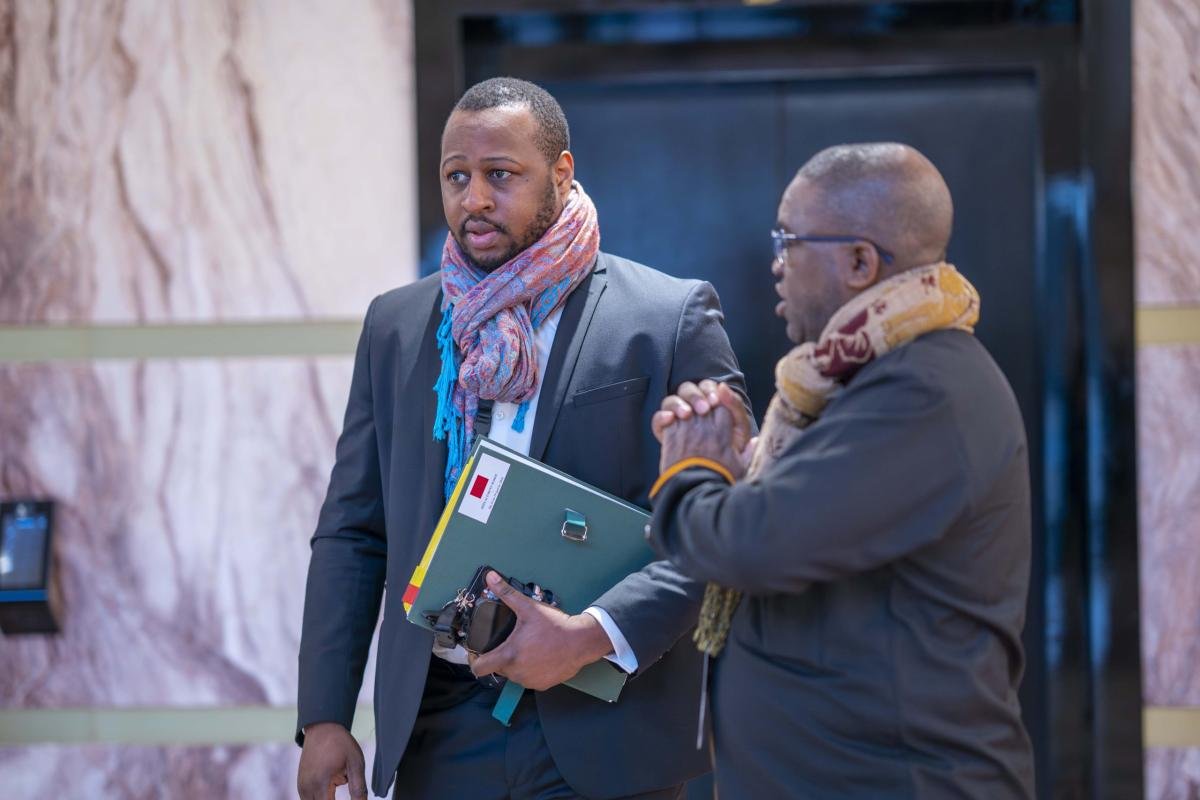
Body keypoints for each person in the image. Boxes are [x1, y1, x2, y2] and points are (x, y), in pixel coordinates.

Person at [295, 77, 745, 800]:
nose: (474, 198)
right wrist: (324, 715)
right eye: (457, 177)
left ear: (561, 174)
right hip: (441, 724)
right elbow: (354, 530)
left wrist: (590, 635)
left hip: (606, 725)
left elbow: (721, 531)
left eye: (500, 174)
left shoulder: (668, 320)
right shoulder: (396, 327)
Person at [648, 143, 1036, 798]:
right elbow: (804, 524)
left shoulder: (924, 391)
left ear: (859, 262)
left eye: (788, 241)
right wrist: (744, 475)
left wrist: (691, 470)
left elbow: (754, 544)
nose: (776, 265)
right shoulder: (867, 381)